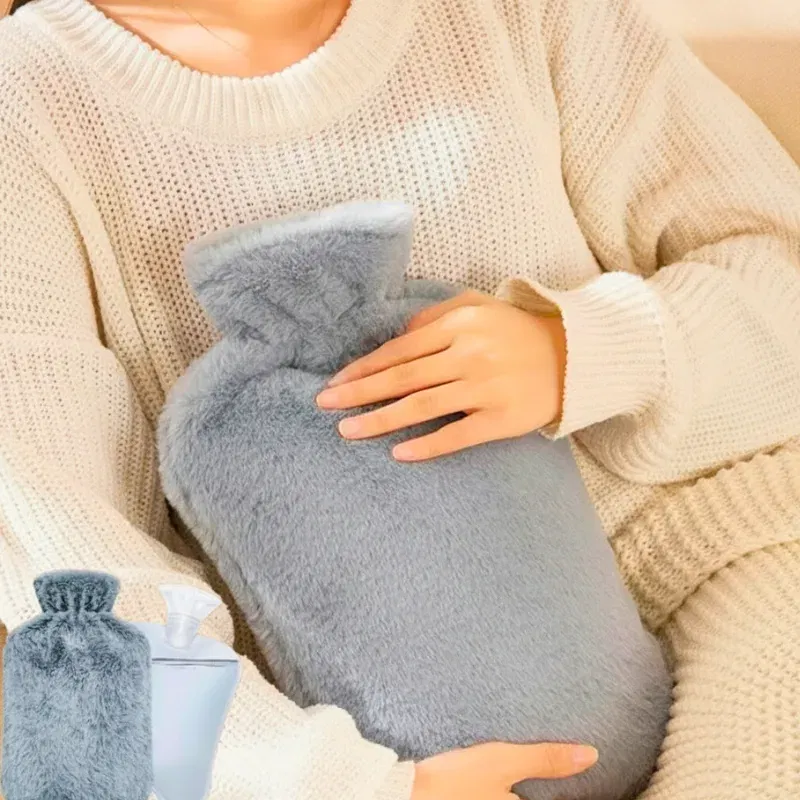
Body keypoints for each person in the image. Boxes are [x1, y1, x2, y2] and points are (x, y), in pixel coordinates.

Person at [0, 0, 798, 797]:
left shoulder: (529, 14)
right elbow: (67, 550)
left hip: (708, 559)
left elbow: (777, 263)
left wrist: (580, 350)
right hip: (345, 713)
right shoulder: (27, 107)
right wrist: (345, 782)